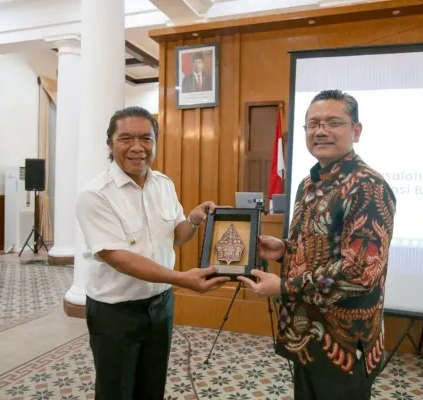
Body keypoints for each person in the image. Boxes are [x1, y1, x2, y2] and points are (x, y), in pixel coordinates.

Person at [238, 90, 396, 399]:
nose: (320, 131)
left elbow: (359, 272)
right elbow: (322, 244)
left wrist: (284, 286)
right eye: (312, 124)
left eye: (333, 122)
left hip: (344, 345)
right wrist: (285, 249)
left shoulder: (367, 186)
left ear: (356, 131)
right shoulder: (309, 183)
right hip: (306, 335)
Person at [75, 106, 230, 400]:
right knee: (116, 391)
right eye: (126, 139)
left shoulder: (163, 184)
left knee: (152, 387)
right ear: (110, 144)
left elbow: (177, 236)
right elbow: (120, 258)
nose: (137, 147)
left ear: (156, 142)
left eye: (146, 138)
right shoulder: (95, 194)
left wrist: (194, 220)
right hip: (115, 313)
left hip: (161, 306)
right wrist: (183, 279)